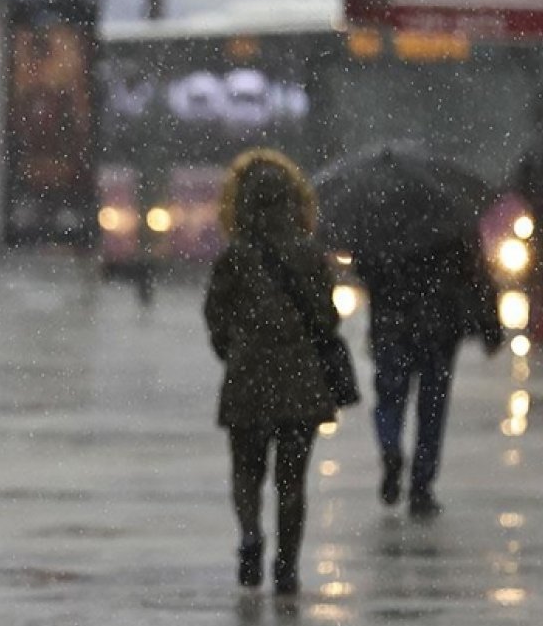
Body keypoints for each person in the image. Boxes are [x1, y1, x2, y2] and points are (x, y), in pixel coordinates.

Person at [204, 149, 337, 595]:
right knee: (292, 479)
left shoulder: (235, 255)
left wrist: (234, 350)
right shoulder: (309, 253)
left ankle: (249, 534)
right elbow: (327, 317)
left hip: (248, 377)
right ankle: (286, 566)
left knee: (246, 470)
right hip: (301, 381)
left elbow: (215, 316)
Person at [354, 237, 502, 518]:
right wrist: (489, 325)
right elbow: (477, 274)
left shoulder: (383, 218)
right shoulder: (451, 221)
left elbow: (363, 267)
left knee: (389, 398)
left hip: (392, 323)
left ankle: (390, 446)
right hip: (440, 327)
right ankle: (421, 487)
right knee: (432, 409)